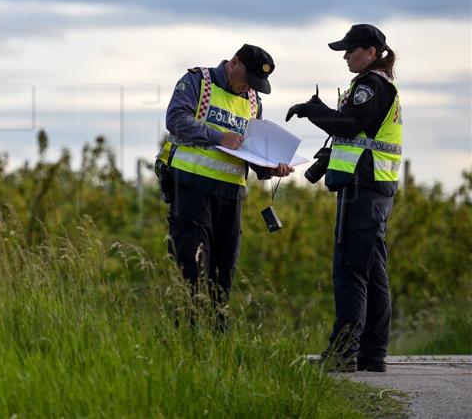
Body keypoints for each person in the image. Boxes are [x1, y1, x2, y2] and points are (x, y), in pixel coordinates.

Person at [286, 24, 401, 373]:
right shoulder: (377, 83)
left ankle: (342, 352)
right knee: (372, 271)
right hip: (374, 186)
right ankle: (371, 353)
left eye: (350, 50)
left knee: (350, 271)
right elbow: (355, 134)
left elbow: (349, 124)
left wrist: (313, 110)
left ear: (370, 51)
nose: (345, 56)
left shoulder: (371, 85)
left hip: (362, 189)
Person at [156, 44, 293, 329]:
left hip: (231, 196)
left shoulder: (254, 100)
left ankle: (218, 343)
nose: (249, 88)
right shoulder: (198, 81)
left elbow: (250, 150)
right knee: (192, 268)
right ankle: (188, 338)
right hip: (191, 186)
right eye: (249, 79)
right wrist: (218, 136)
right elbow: (175, 120)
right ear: (234, 62)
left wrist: (272, 167)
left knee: (223, 273)